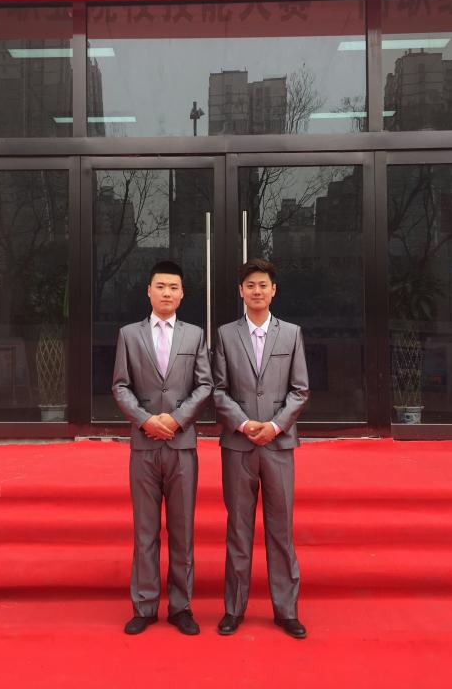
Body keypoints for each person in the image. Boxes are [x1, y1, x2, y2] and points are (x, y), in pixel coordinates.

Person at [112, 260, 212, 636]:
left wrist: (176, 419)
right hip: (144, 443)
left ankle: (181, 606)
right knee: (145, 529)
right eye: (161, 286)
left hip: (182, 443)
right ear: (149, 291)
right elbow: (120, 385)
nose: (167, 293)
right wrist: (145, 420)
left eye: (173, 287)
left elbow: (205, 385)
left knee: (182, 529)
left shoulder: (194, 335)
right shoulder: (129, 335)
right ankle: (145, 604)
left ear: (182, 294)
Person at [212, 258, 309, 639]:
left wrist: (274, 426)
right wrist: (243, 423)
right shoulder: (225, 335)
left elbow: (300, 389)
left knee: (280, 529)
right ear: (241, 291)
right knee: (238, 529)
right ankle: (233, 609)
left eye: (263, 285)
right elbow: (218, 389)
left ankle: (286, 610)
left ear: (274, 290)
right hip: (238, 445)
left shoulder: (292, 334)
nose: (256, 291)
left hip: (278, 444)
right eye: (250, 285)